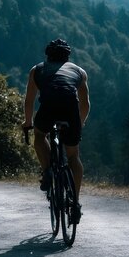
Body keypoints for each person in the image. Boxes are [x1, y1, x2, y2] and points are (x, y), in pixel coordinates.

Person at [22, 38, 90, 222]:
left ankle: (47, 171)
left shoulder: (37, 70)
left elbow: (29, 101)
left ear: (48, 55)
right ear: (67, 56)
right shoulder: (79, 71)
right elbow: (85, 103)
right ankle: (75, 203)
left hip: (48, 108)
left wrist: (28, 122)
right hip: (70, 110)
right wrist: (79, 124)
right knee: (73, 156)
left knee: (39, 135)